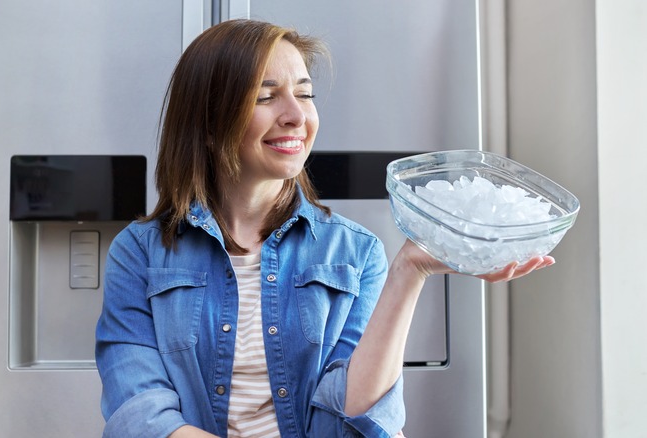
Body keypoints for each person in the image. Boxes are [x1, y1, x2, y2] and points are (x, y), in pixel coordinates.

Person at [95, 19, 554, 438]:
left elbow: (354, 422)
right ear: (210, 123)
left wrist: (410, 269)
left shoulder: (355, 253)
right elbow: (140, 417)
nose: (297, 115)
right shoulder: (139, 254)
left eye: (305, 93)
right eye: (266, 95)